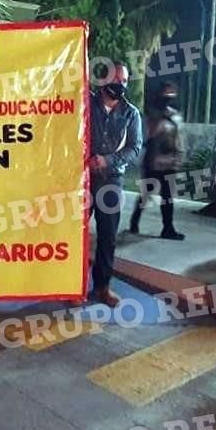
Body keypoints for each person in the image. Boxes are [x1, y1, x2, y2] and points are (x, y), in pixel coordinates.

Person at [81, 62, 143, 308]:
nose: (120, 84)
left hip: (112, 181)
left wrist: (106, 160)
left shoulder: (131, 113)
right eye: (116, 78)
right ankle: (74, 287)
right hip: (83, 179)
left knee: (107, 236)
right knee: (76, 234)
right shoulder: (87, 104)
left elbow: (134, 148)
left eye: (125, 80)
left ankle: (102, 288)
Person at [129, 81, 185, 240]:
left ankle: (168, 228)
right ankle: (134, 222)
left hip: (170, 162)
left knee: (167, 197)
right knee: (146, 195)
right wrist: (163, 118)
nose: (169, 96)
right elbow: (151, 134)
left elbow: (178, 137)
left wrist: (179, 156)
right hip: (154, 162)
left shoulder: (175, 114)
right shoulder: (152, 114)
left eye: (172, 93)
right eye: (166, 93)